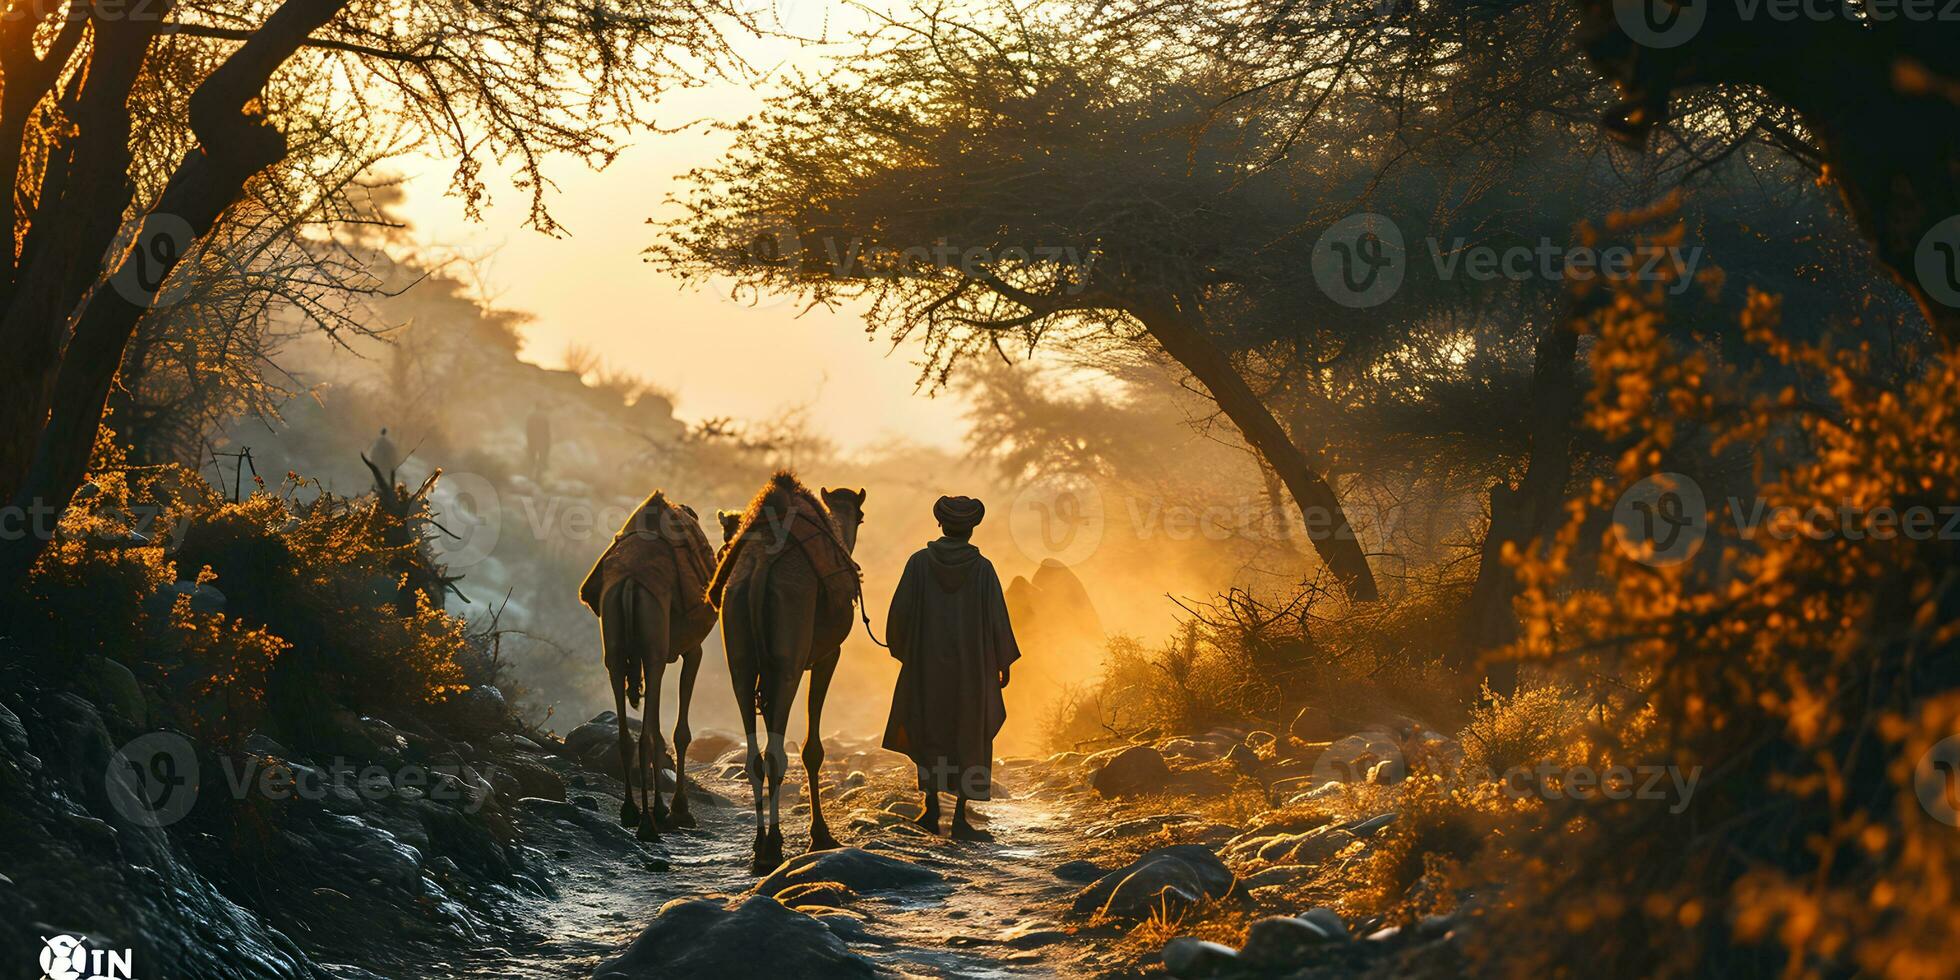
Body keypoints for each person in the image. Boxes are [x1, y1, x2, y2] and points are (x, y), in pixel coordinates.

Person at [881, 495, 1021, 840]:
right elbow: (997, 621)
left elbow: (898, 616)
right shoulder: (983, 569)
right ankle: (959, 817)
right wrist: (1002, 662)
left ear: (940, 524)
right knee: (968, 733)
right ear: (972, 529)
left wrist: (907, 654)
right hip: (971, 673)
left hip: (926, 669)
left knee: (927, 730)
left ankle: (930, 810)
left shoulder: (918, 564)